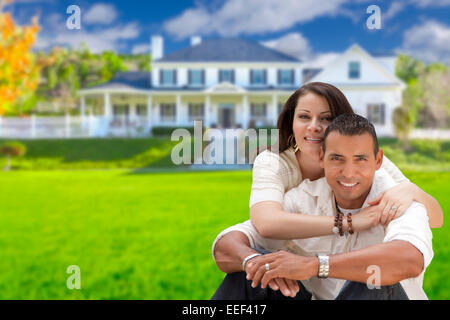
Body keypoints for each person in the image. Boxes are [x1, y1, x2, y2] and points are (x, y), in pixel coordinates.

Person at [212, 114, 433, 300]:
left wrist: (315, 265)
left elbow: (409, 259)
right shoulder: (303, 198)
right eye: (337, 158)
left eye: (360, 159)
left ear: (378, 160)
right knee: (252, 274)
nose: (348, 172)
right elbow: (228, 244)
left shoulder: (398, 200)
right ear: (322, 157)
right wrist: (253, 262)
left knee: (375, 279)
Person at [248, 82, 442, 246]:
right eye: (304, 117)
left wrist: (411, 190)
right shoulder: (273, 163)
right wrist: (351, 222)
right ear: (291, 122)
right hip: (293, 261)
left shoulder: (365, 160)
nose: (314, 126)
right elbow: (266, 223)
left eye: (326, 118)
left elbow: (436, 219)